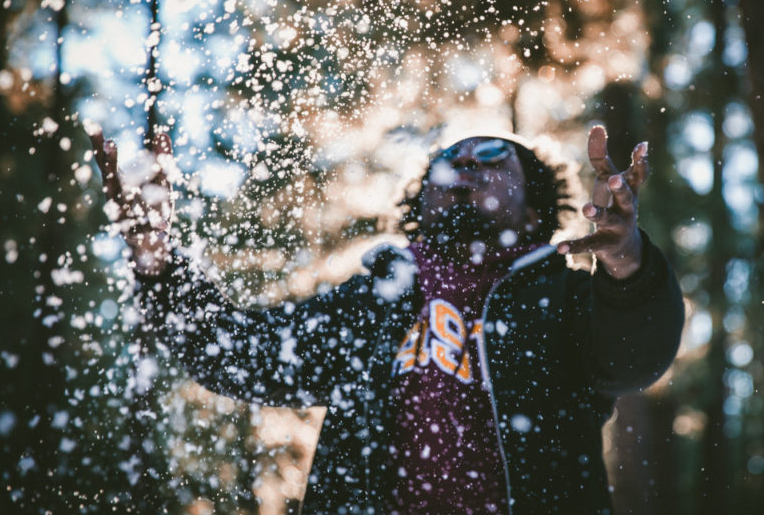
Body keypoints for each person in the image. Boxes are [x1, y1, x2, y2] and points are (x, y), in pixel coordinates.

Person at [90, 125, 686, 514]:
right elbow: (244, 354)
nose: (463, 169)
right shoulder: (375, 298)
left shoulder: (562, 297)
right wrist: (158, 263)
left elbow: (635, 359)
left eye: (489, 161)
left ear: (533, 207)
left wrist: (628, 261)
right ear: (421, 196)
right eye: (447, 163)